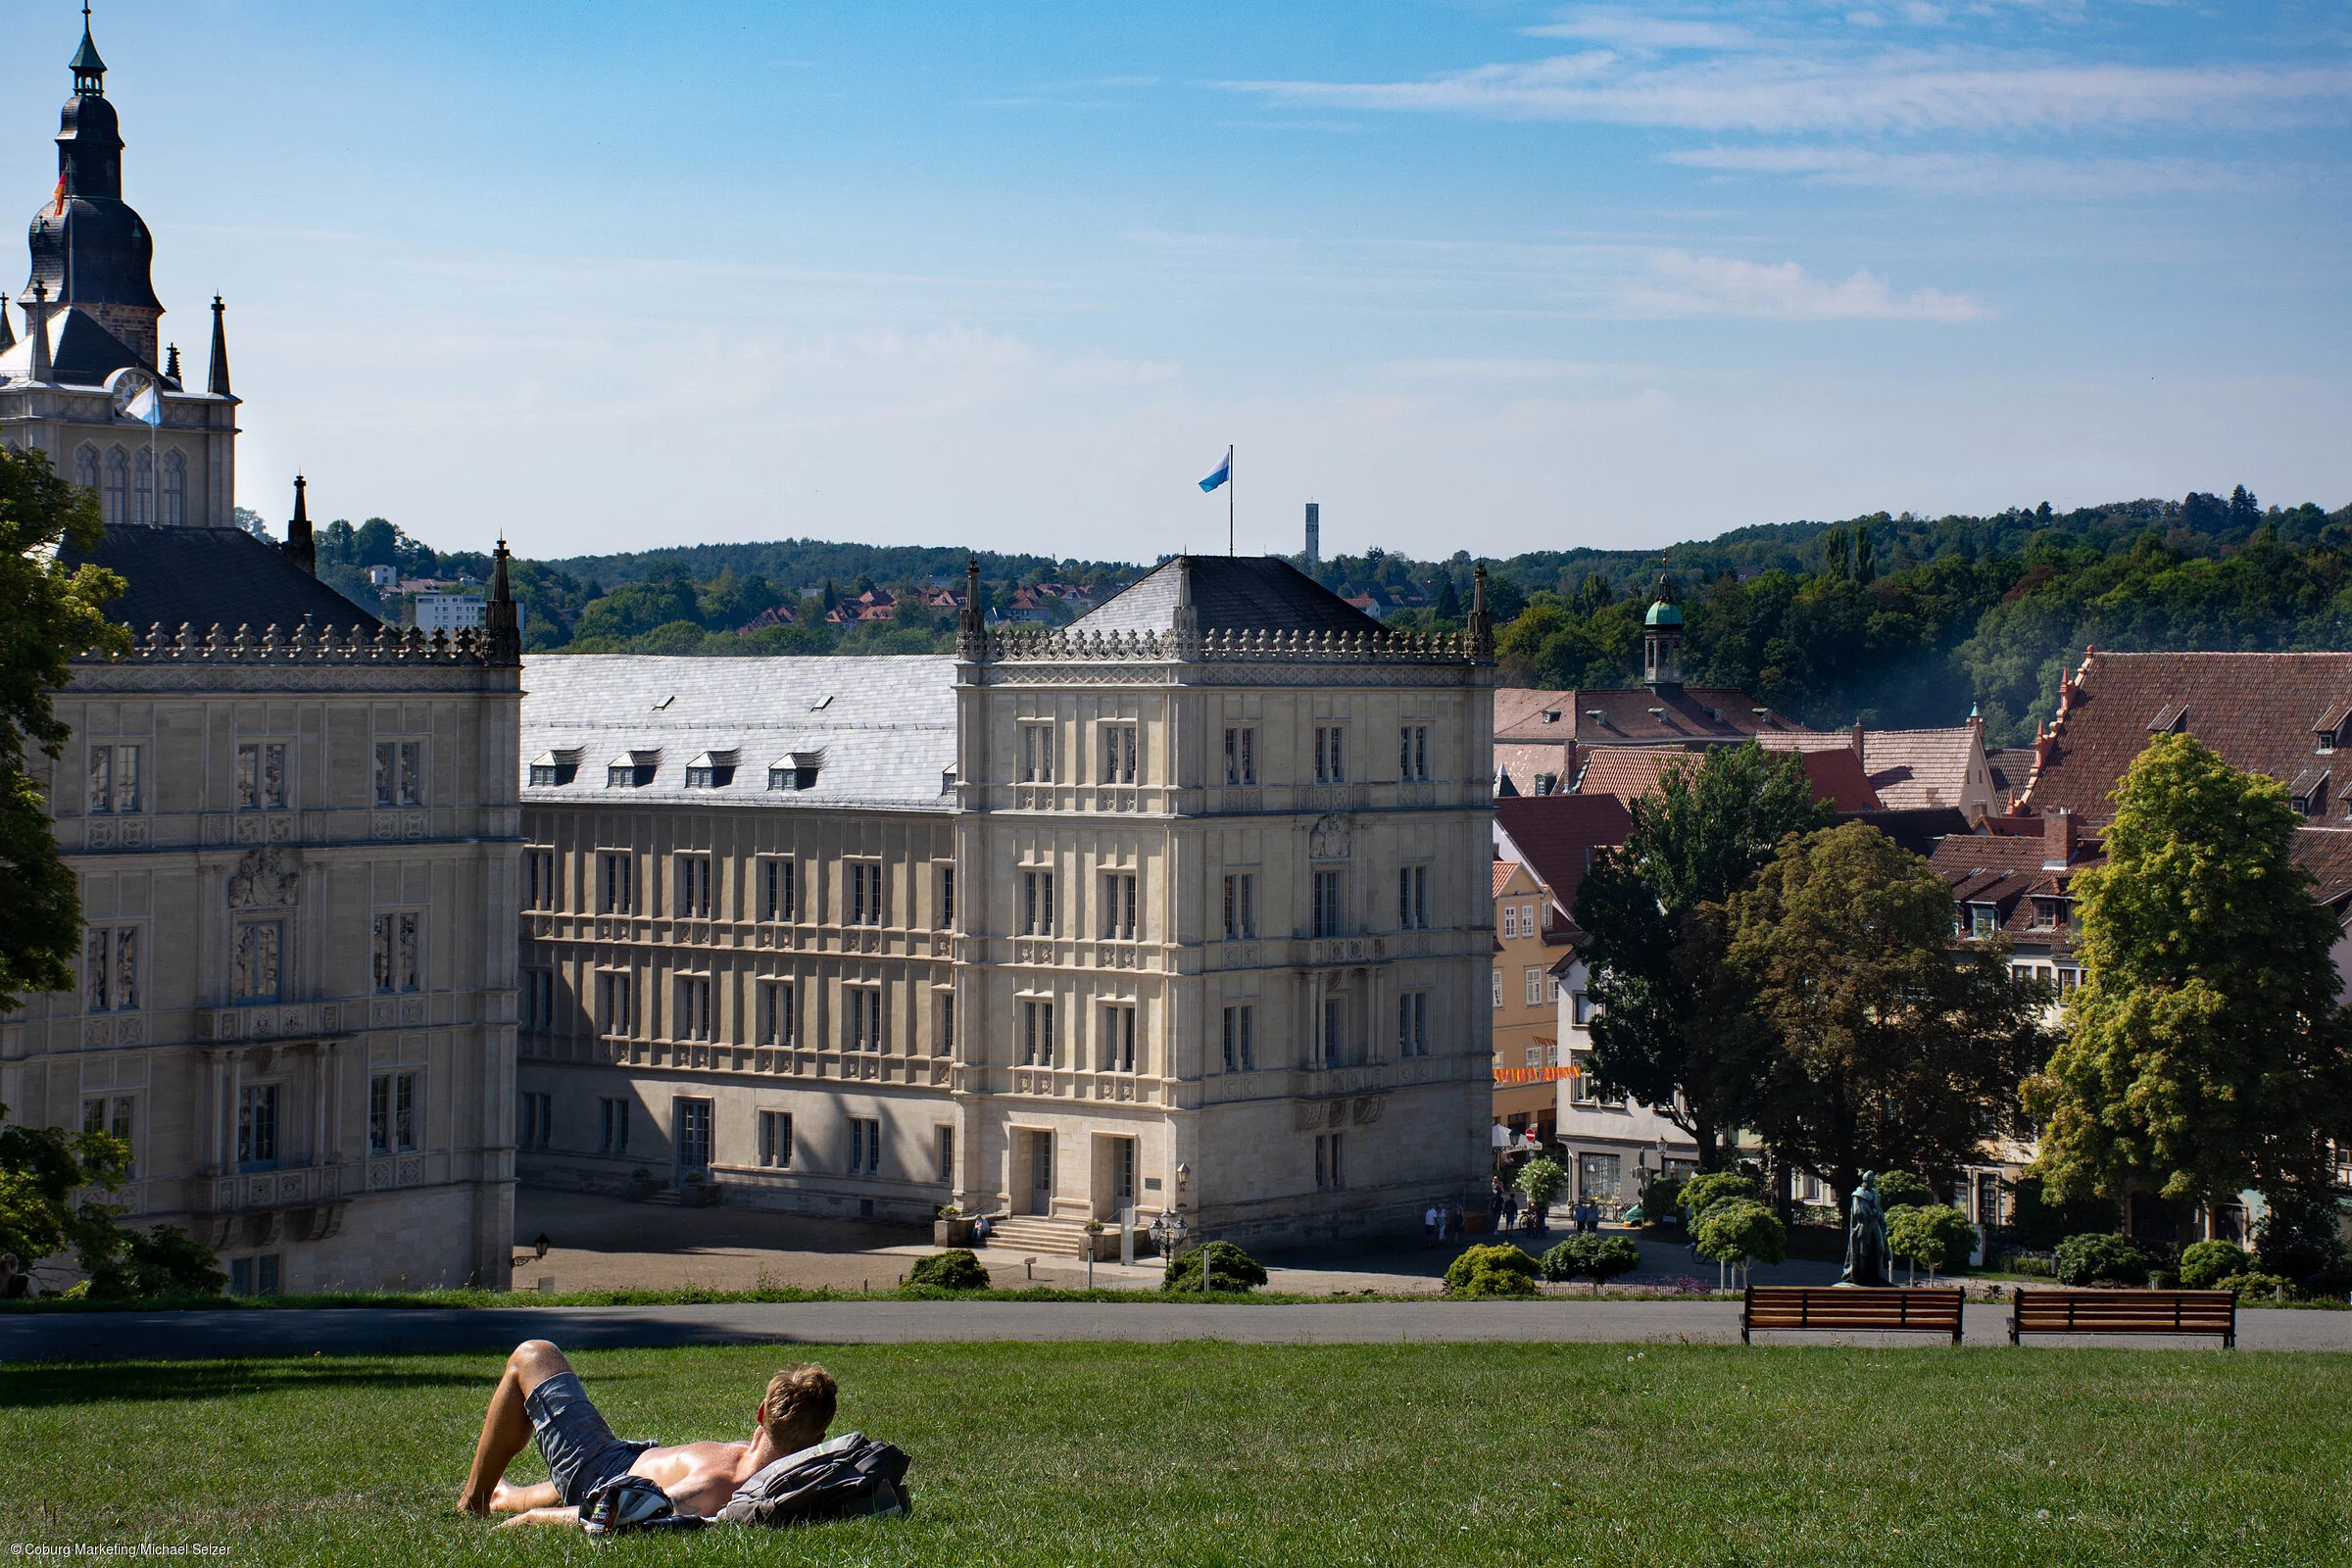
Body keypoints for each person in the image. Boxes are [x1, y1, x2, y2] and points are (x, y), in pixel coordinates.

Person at [457, 1340, 841, 1528]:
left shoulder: (718, 1484)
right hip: (625, 1459)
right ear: (818, 1438)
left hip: (603, 1473)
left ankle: (472, 1501)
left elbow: (621, 1512)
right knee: (514, 1496)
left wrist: (536, 1520)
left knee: (533, 1356)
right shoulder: (762, 1461)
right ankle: (502, 1497)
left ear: (761, 1413)